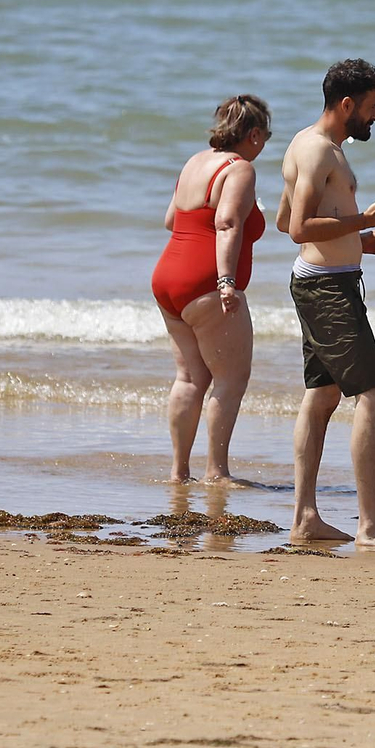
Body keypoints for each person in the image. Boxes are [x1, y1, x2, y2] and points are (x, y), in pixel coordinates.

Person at [273, 58, 375, 548]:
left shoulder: (309, 144)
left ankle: (305, 519)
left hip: (324, 279)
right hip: (327, 289)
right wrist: (362, 221)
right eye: (373, 107)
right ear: (347, 104)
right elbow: (296, 231)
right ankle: (370, 525)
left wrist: (367, 243)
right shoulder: (319, 153)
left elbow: (284, 220)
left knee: (322, 397)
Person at [150, 94, 272, 485]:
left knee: (189, 378)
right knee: (231, 379)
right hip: (204, 281)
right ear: (252, 134)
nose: (266, 144)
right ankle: (216, 472)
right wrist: (226, 281)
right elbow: (227, 224)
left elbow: (171, 220)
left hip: (168, 277)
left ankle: (178, 472)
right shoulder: (239, 170)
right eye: (266, 135)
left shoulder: (194, 163)